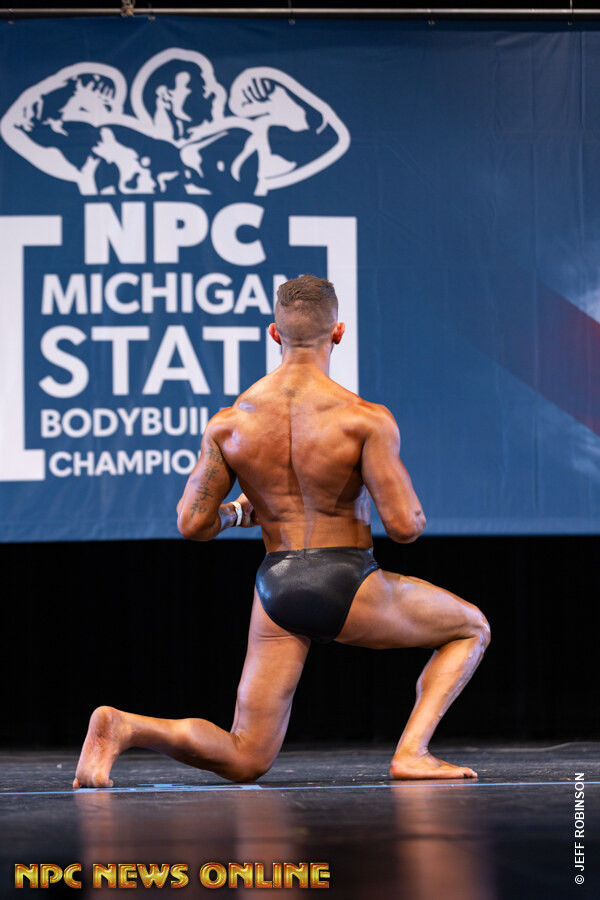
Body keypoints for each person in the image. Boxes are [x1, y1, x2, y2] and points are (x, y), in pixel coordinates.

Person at [73, 274, 490, 789]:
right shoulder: (364, 420)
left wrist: (237, 513)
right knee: (470, 628)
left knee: (246, 756)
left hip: (277, 586)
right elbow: (404, 527)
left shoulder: (229, 423)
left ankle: (126, 726)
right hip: (346, 579)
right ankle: (412, 752)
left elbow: (192, 523)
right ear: (338, 333)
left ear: (274, 333)